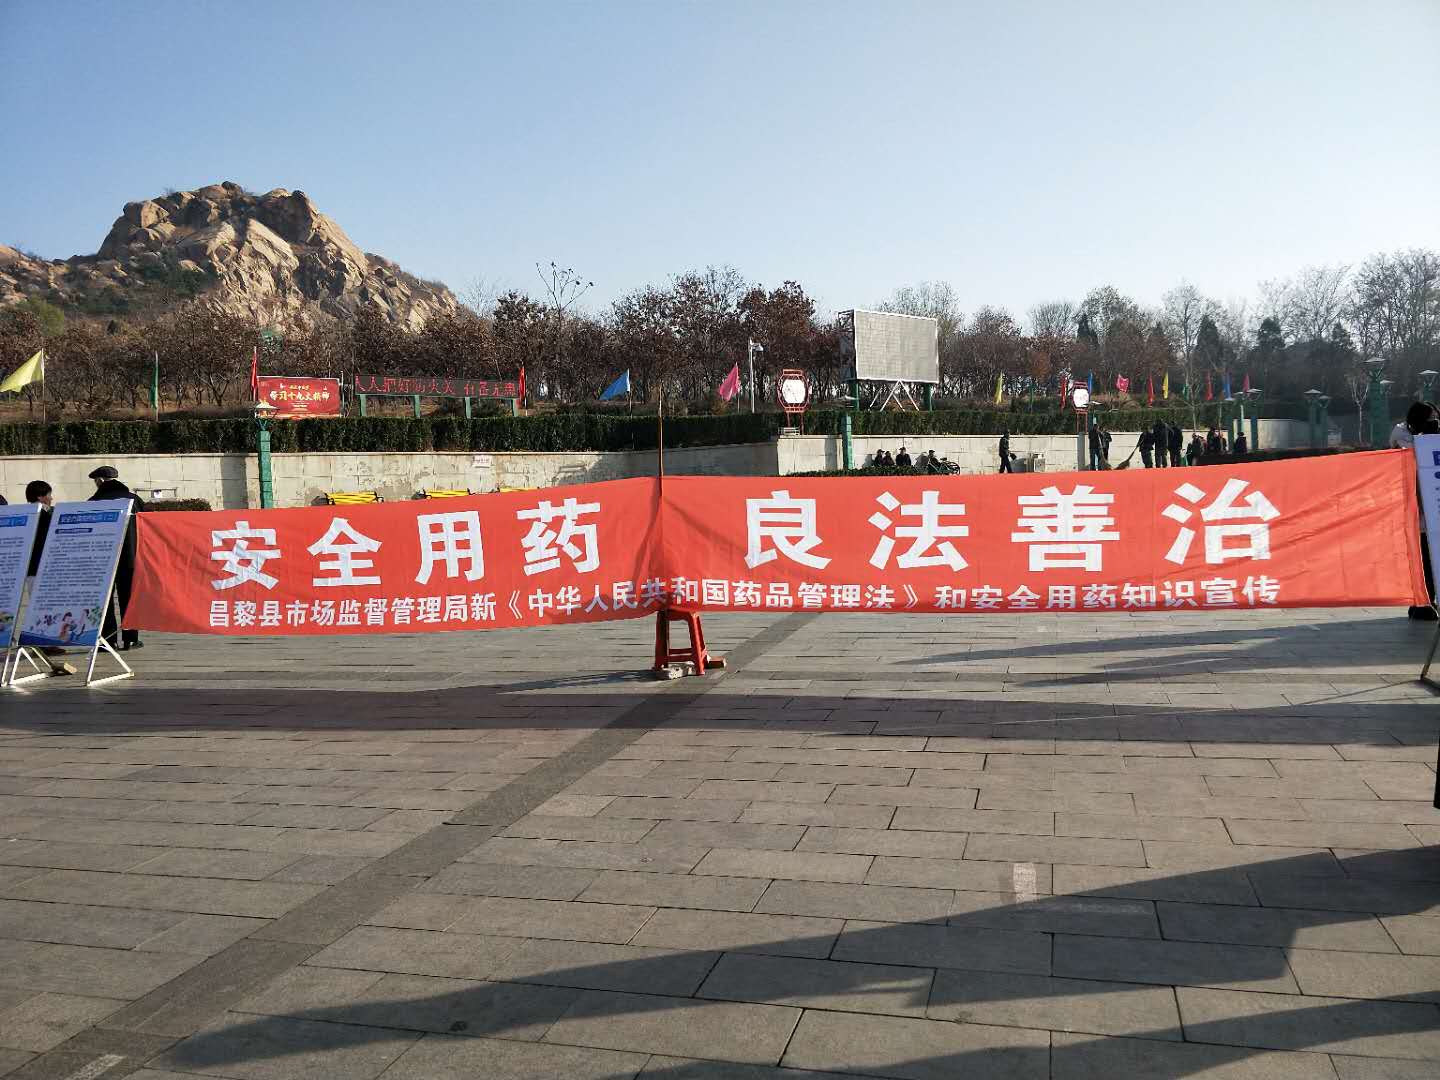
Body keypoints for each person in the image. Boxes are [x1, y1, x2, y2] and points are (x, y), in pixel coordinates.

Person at [89, 465, 146, 650]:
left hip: (103, 559)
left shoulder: (93, 502)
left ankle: (108, 640)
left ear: (100, 481)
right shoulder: (134, 500)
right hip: (130, 558)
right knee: (128, 598)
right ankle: (131, 638)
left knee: (104, 600)